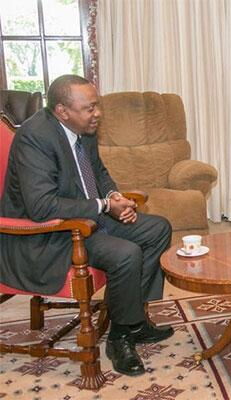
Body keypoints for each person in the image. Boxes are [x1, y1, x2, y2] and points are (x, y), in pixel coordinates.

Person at [0, 75, 174, 376]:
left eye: (97, 106)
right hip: (51, 234)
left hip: (88, 220)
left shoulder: (84, 127)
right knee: (125, 253)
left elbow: (98, 172)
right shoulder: (34, 138)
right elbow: (41, 207)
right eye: (89, 108)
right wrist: (105, 207)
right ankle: (120, 339)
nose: (98, 114)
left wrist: (113, 196)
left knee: (157, 228)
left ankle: (134, 322)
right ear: (62, 111)